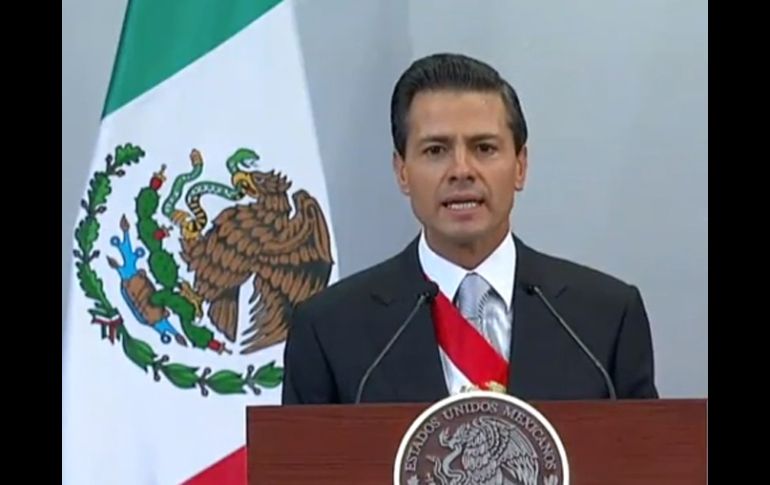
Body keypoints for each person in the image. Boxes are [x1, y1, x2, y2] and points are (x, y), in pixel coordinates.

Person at [281, 53, 658, 404]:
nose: (461, 170)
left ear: (520, 166)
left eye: (484, 148)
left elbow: (645, 451)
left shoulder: (604, 319)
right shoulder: (329, 328)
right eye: (435, 150)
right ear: (402, 172)